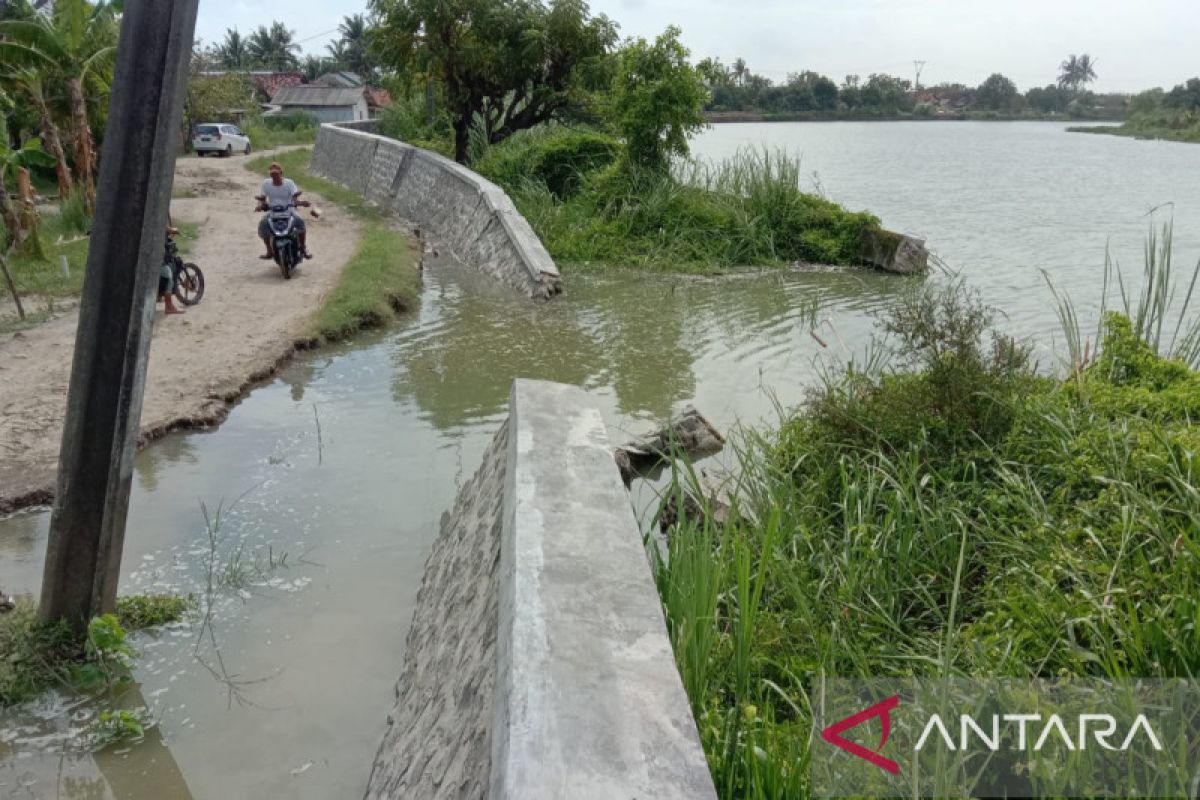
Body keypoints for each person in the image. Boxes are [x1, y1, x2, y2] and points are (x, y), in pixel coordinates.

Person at [255, 162, 312, 261]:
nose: (274, 176)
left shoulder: (289, 183)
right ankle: (269, 251)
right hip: (273, 212)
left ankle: (303, 248)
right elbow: (262, 198)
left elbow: (295, 198)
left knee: (300, 222)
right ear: (269, 174)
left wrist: (301, 203)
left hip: (289, 211)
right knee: (263, 224)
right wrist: (260, 206)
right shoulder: (266, 183)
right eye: (272, 174)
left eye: (276, 173)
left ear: (281, 173)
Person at [160, 225, 184, 315]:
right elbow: (163, 227)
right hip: (156, 259)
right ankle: (169, 307)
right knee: (168, 278)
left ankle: (160, 296)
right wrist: (173, 230)